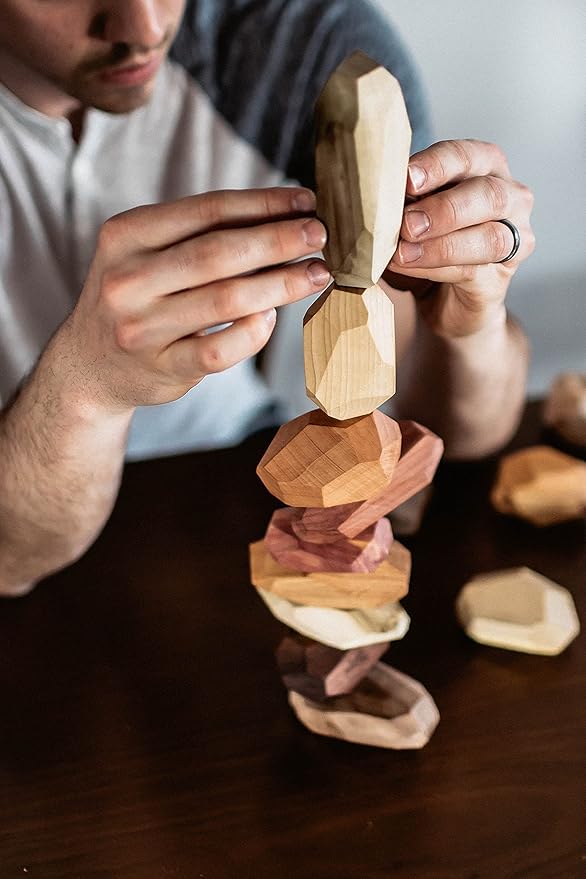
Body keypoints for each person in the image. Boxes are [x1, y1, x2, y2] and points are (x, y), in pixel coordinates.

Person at [0, 0, 534, 597]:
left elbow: (449, 437)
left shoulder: (307, 48)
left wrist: (472, 322)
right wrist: (84, 386)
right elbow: (10, 562)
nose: (145, 29)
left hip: (232, 485)